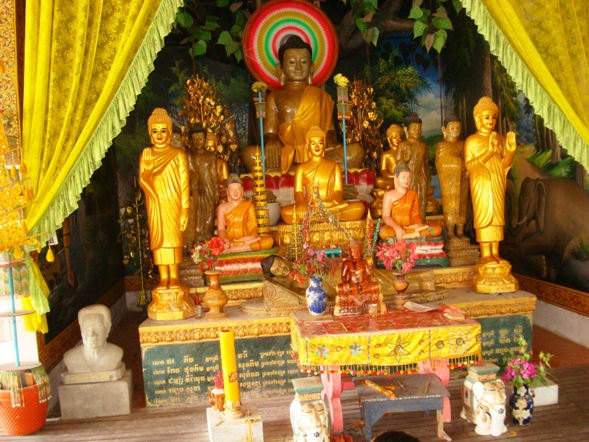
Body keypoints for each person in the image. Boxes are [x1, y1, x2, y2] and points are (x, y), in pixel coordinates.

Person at [264, 35, 336, 174]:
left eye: (303, 62)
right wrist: (271, 141)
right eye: (292, 62)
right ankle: (307, 169)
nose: (298, 67)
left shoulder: (322, 96)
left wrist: (328, 140)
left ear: (311, 67)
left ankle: (298, 170)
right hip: (287, 152)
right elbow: (270, 132)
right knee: (251, 155)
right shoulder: (274, 97)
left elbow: (330, 130)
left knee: (355, 151)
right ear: (280, 68)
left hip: (317, 150)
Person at [139, 108, 189, 289]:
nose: (159, 135)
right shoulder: (147, 155)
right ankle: (163, 277)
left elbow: (184, 184)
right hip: (156, 204)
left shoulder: (178, 154)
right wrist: (147, 172)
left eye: (163, 130)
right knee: (158, 240)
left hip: (174, 203)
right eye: (155, 131)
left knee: (173, 239)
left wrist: (185, 209)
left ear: (169, 132)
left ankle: (174, 277)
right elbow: (143, 181)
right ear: (150, 133)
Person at [465, 96, 516, 264]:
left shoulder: (500, 138)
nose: (491, 121)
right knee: (484, 215)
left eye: (493, 117)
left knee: (497, 216)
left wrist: (511, 152)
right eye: (487, 117)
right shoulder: (472, 141)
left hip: (496, 181)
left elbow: (504, 165)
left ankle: (495, 252)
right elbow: (470, 166)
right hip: (481, 184)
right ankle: (485, 253)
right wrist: (489, 152)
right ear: (478, 119)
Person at [280, 126, 365, 224]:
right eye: (313, 143)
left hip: (331, 206)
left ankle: (317, 217)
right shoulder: (301, 169)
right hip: (310, 206)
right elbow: (298, 192)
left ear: (324, 144)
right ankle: (326, 217)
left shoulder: (334, 166)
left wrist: (331, 202)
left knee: (359, 207)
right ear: (307, 146)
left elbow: (338, 191)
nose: (317, 147)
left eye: (320, 143)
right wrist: (301, 204)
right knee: (286, 212)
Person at [379, 162, 442, 240]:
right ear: (396, 178)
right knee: (384, 232)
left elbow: (415, 213)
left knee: (437, 229)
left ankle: (405, 236)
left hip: (411, 227)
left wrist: (418, 224)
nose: (407, 180)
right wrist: (396, 227)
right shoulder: (389, 195)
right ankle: (415, 236)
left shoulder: (413, 193)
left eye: (409, 177)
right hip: (395, 228)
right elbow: (386, 216)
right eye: (403, 177)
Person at [217, 174, 274, 253]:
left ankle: (233, 249)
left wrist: (252, 237)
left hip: (247, 240)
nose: (235, 192)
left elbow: (253, 227)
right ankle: (243, 247)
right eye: (232, 189)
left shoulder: (249, 205)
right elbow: (221, 229)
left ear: (242, 190)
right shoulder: (222, 207)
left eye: (238, 189)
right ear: (227, 191)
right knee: (217, 243)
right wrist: (225, 240)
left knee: (269, 241)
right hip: (231, 241)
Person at [435, 114, 469, 239]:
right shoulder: (442, 145)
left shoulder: (463, 144)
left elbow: (468, 160)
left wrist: (468, 169)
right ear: (444, 130)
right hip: (449, 182)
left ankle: (460, 232)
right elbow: (441, 163)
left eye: (458, 128)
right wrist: (461, 164)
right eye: (452, 128)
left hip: (463, 180)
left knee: (462, 206)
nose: (455, 130)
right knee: (450, 205)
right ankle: (450, 232)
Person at [63, 305, 123, 373]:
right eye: (87, 327)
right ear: (81, 330)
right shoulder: (70, 357)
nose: (91, 334)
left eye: (97, 327)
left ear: (107, 329)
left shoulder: (116, 354)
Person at [186, 125, 219, 246]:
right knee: (196, 217)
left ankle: (208, 242)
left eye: (200, 139)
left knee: (208, 215)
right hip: (195, 191)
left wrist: (216, 191)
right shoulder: (189, 156)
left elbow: (214, 174)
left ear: (205, 139)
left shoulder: (211, 156)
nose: (197, 142)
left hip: (208, 188)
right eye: (195, 139)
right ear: (191, 140)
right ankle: (197, 244)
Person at [396, 114, 430, 221]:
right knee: (408, 201)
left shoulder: (423, 145)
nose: (417, 131)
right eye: (414, 129)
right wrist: (404, 160)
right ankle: (408, 224)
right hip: (408, 179)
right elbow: (398, 165)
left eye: (419, 129)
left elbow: (426, 163)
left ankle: (421, 223)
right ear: (407, 130)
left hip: (421, 178)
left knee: (421, 201)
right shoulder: (403, 145)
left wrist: (427, 178)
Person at [376, 124, 404, 190]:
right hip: (391, 179)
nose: (397, 139)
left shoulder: (404, 153)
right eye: (394, 137)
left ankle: (390, 189)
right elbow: (383, 170)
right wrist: (393, 176)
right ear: (389, 139)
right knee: (378, 181)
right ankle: (394, 188)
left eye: (399, 137)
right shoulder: (386, 154)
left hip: (403, 179)